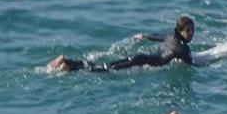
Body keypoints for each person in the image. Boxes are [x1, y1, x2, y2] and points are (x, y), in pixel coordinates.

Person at [48, 16, 196, 73]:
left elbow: (158, 36)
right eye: (188, 31)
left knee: (106, 65)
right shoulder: (184, 49)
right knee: (107, 69)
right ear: (180, 31)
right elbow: (191, 65)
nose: (191, 33)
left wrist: (144, 35)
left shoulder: (170, 37)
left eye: (193, 30)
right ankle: (69, 66)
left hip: (140, 57)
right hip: (143, 62)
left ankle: (69, 62)